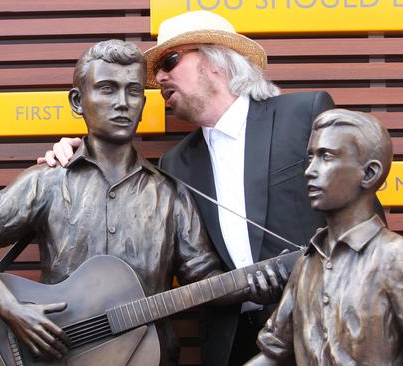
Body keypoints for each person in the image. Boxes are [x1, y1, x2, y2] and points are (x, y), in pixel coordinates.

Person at [40, 10, 369, 365]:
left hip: (323, 327)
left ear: (216, 60)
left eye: (170, 61)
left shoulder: (304, 113)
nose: (160, 78)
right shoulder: (174, 165)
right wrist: (81, 154)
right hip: (233, 344)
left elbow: (364, 219)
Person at [0, 39, 279, 366]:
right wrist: (11, 309)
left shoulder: (171, 195)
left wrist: (252, 285)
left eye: (133, 91)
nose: (122, 102)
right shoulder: (47, 181)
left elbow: (205, 279)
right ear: (78, 101)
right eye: (107, 89)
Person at [247, 109, 403, 365]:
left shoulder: (394, 255)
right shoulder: (307, 264)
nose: (310, 170)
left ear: (368, 174)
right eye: (310, 157)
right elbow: (271, 354)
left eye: (326, 157)